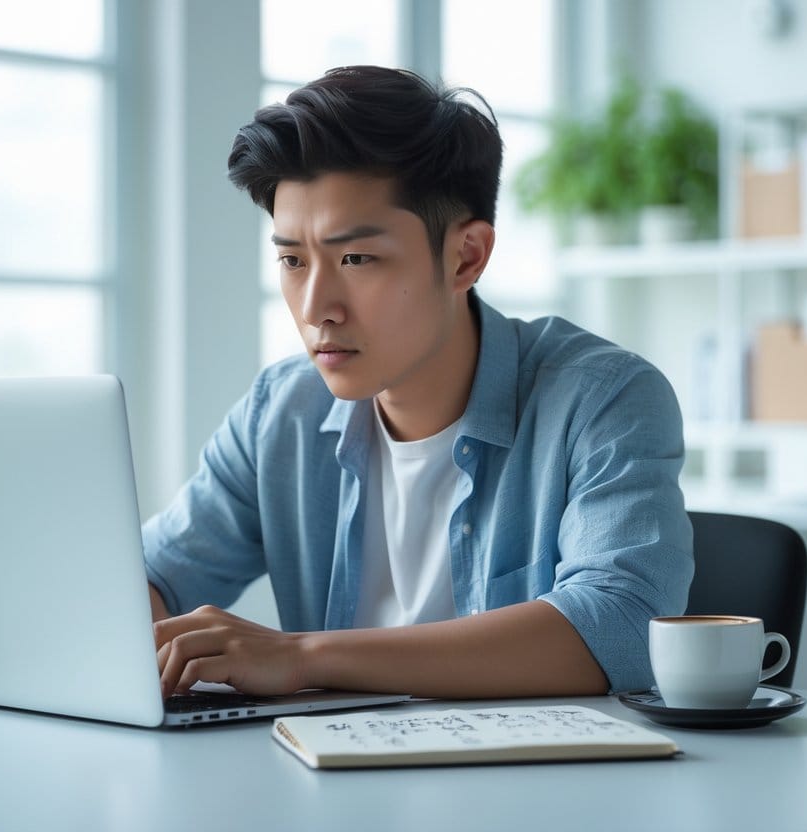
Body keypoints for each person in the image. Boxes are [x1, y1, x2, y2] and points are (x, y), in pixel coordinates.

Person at [144, 65, 692, 701]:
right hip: (326, 786)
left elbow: (622, 628)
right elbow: (152, 575)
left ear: (466, 257)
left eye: (356, 259)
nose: (317, 306)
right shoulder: (280, 412)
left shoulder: (603, 398)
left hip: (534, 793)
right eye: (293, 260)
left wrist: (303, 658)